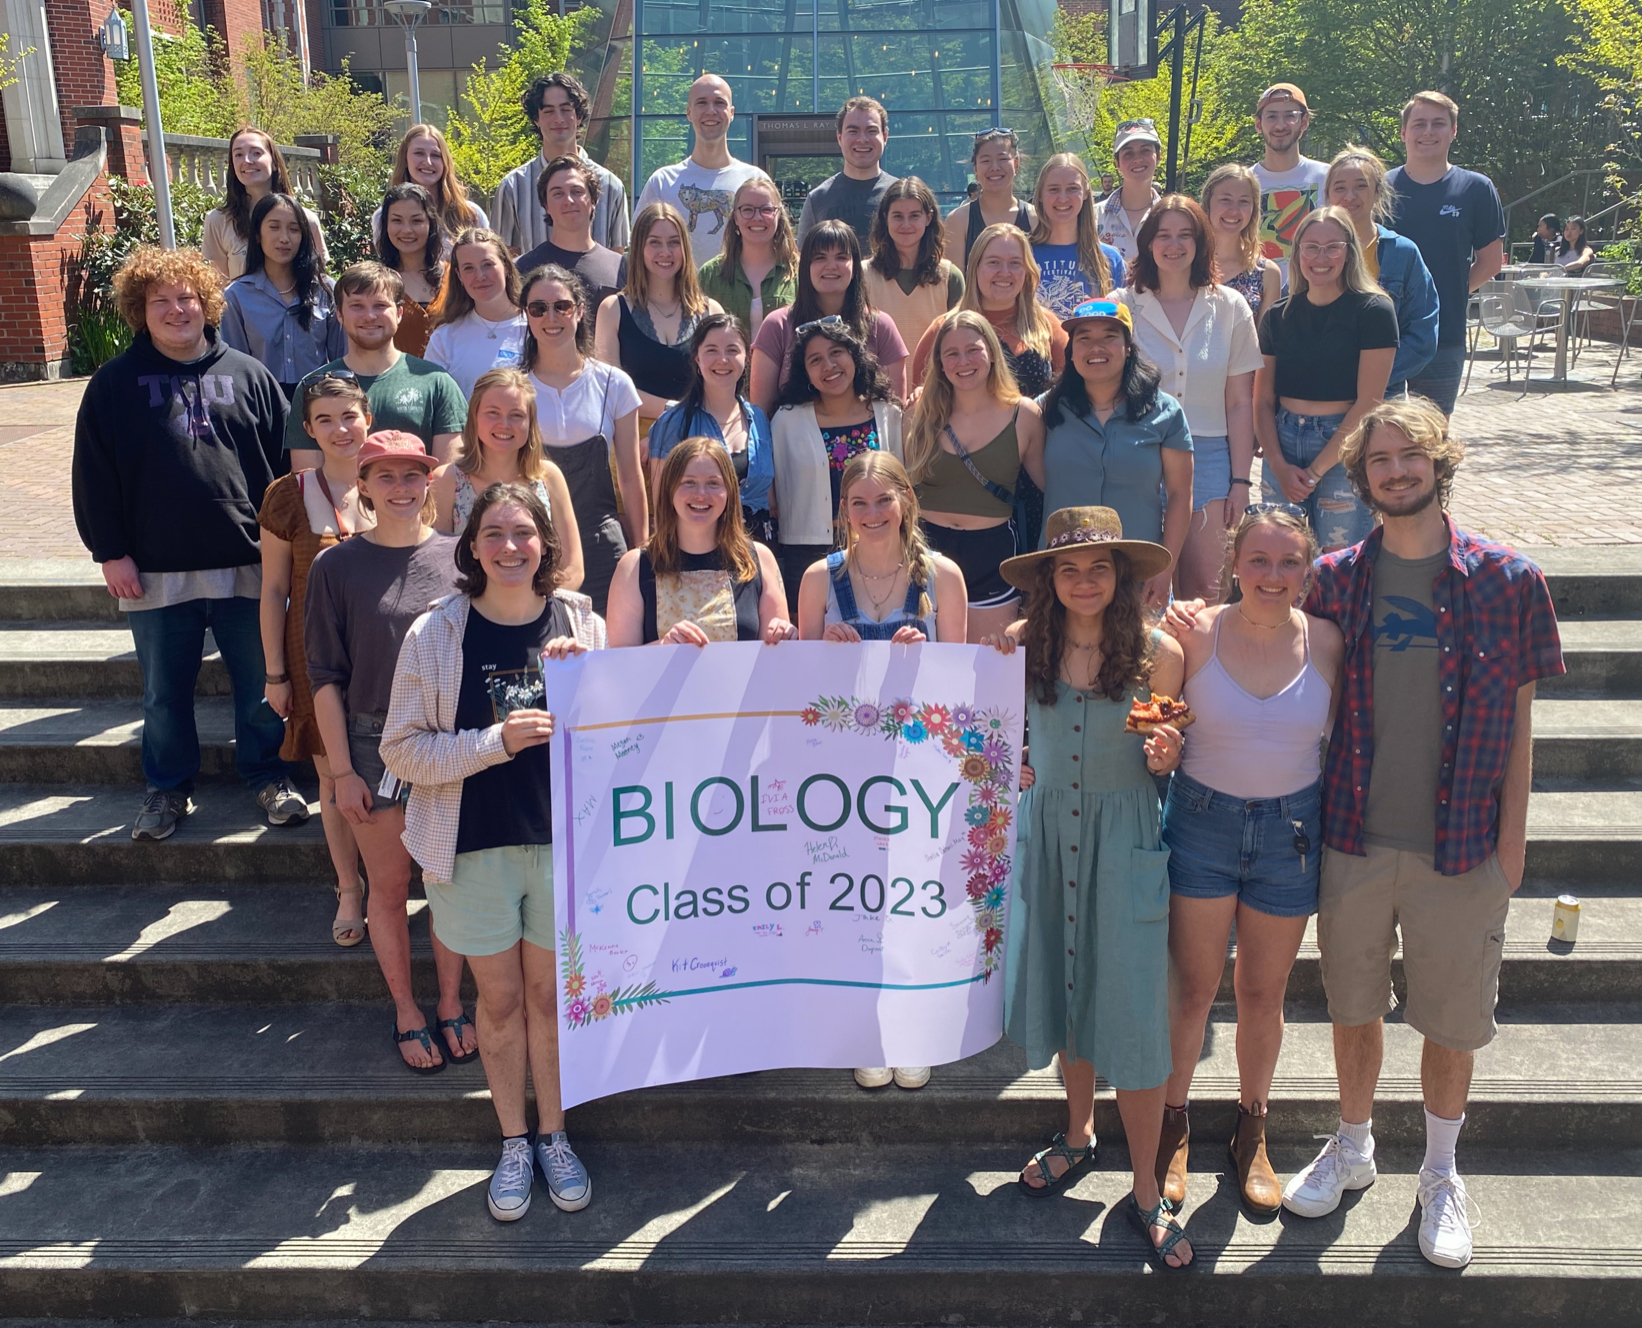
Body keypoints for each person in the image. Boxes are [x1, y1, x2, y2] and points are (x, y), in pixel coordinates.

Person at [1170, 397, 1564, 1269]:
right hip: (1349, 834)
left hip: (1461, 842)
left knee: (1452, 1022)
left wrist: (1514, 845)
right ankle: (1354, 1144)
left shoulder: (1510, 582)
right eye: (1379, 460)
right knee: (1355, 1009)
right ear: (1363, 475)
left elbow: (1524, 729)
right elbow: (1260, 614)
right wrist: (1193, 619)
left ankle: (1439, 1172)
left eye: (1408, 456)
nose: (1394, 471)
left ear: (1439, 460)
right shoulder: (1337, 578)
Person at [382, 481, 607, 1221]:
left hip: (561, 846)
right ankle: (513, 1140)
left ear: (545, 543)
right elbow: (402, 752)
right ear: (470, 547)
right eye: (495, 534)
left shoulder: (583, 622)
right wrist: (491, 744)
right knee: (501, 1001)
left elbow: (622, 733)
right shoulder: (435, 633)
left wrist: (596, 682)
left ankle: (555, 1134)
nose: (511, 548)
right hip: (472, 847)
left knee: (548, 997)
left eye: (524, 534)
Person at [985, 504, 1191, 1271]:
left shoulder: (1160, 655)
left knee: (1134, 1016)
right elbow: (992, 734)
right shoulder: (1017, 646)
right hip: (1048, 839)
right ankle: (1078, 1135)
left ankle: (1145, 1189)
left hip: (1124, 838)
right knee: (1068, 995)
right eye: (1067, 568)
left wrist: (1166, 757)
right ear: (1047, 579)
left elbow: (1157, 754)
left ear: (1122, 575)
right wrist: (1013, 764)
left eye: (1098, 567)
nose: (1083, 581)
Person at [72, 244, 307, 842]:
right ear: (139, 311)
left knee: (261, 685)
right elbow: (92, 474)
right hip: (154, 569)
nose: (177, 310)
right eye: (161, 302)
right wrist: (110, 551)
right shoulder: (114, 385)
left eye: (187, 298)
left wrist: (291, 549)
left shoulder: (249, 376)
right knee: (163, 695)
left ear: (207, 305)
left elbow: (285, 472)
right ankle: (168, 789)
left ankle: (268, 776)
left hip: (247, 565)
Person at [1153, 505, 1342, 1217]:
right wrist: (1161, 750)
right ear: (1233, 562)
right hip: (1200, 825)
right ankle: (1175, 1122)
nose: (1272, 575)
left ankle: (1251, 1130)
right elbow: (1157, 727)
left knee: (1264, 992)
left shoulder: (1328, 641)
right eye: (1258, 560)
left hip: (1291, 833)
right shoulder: (1192, 635)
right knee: (1194, 989)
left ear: (1308, 567)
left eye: (1288, 562)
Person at [305, 431, 474, 1074]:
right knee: (392, 883)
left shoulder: (462, 559)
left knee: (447, 883)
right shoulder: (336, 567)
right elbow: (324, 677)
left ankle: (453, 1000)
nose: (401, 487)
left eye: (413, 474)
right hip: (374, 743)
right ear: (366, 485)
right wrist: (343, 770)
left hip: (452, 738)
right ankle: (406, 1007)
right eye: (387, 476)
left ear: (430, 481)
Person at [258, 374, 376, 947]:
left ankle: (392, 877)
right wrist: (274, 672)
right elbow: (273, 589)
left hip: (386, 661)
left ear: (367, 419)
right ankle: (349, 888)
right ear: (308, 429)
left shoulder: (396, 484)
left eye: (348, 416)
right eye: (324, 420)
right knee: (333, 780)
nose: (339, 429)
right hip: (313, 662)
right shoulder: (287, 494)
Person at [1117, 196, 1263, 603]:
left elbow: (1238, 402)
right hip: (1140, 456)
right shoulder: (1122, 305)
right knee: (1144, 593)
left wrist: (1240, 482)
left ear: (1201, 243)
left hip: (1211, 458)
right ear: (1147, 243)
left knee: (1205, 591)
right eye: (1163, 235)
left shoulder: (1231, 308)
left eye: (1185, 235)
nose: (1174, 245)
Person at [1255, 206, 1397, 551]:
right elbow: (1261, 399)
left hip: (1344, 442)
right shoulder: (1277, 316)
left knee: (1341, 559)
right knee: (1280, 554)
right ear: (1298, 252)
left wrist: (1317, 470)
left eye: (1332, 246)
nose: (1321, 257)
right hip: (1283, 441)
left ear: (1349, 251)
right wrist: (1278, 464)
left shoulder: (1374, 311)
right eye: (1311, 247)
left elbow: (1369, 403)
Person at [1036, 300, 1190, 609]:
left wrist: (1165, 571)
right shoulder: (1043, 410)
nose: (1097, 347)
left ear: (1129, 346)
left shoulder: (1165, 412)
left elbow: (1179, 495)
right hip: (1065, 576)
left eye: (1109, 336)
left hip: (1140, 576)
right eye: (1084, 338)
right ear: (1071, 350)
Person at [903, 311, 1046, 641]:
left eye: (973, 350)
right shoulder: (918, 413)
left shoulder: (1023, 415)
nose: (962, 361)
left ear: (993, 353)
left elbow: (1047, 490)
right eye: (951, 353)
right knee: (921, 669)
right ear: (939, 362)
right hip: (925, 553)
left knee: (989, 664)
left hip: (992, 555)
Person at [522, 265, 646, 614]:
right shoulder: (513, 389)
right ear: (526, 316)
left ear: (579, 310)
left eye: (561, 306)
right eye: (538, 308)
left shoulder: (613, 383)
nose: (551, 317)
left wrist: (641, 550)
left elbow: (630, 477)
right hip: (532, 550)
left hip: (603, 548)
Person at [607, 435, 792, 646]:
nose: (701, 494)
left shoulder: (759, 559)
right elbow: (619, 664)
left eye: (713, 483)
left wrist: (784, 636)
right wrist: (662, 648)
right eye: (689, 483)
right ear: (669, 490)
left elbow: (777, 654)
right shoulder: (633, 567)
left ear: (729, 492)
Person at [770, 319, 904, 609]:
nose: (829, 365)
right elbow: (775, 492)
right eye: (815, 360)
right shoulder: (786, 421)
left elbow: (903, 485)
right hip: (807, 554)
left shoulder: (888, 415)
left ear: (854, 355)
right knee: (810, 647)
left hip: (880, 546)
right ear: (805, 372)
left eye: (836, 353)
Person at [1387, 91, 1506, 415]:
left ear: (1453, 131)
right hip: (1382, 336)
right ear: (1404, 132)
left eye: (1438, 124)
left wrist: (1442, 296)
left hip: (1445, 335)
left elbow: (1491, 262)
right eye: (1419, 124)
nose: (1428, 132)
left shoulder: (1476, 189)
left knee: (1433, 442)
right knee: (1374, 437)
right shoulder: (1380, 189)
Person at [284, 263, 467, 470]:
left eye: (380, 305)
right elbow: (306, 480)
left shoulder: (436, 382)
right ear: (340, 315)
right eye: (357, 306)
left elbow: (448, 479)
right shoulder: (313, 387)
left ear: (399, 313)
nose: (369, 316)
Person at [431, 367, 585, 594]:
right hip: (468, 613)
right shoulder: (445, 480)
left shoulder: (549, 477)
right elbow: (437, 566)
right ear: (474, 417)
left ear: (530, 422)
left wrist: (534, 607)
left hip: (539, 611)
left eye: (516, 415)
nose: (504, 424)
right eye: (493, 413)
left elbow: (572, 568)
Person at [796, 450, 966, 646]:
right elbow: (809, 672)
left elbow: (954, 671)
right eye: (859, 503)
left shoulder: (944, 576)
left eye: (884, 500)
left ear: (907, 499)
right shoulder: (818, 579)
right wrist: (824, 651)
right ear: (845, 509)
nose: (872, 513)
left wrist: (923, 658)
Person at [750, 219, 908, 413]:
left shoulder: (881, 326)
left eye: (841, 257)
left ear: (855, 265)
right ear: (805, 266)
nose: (831, 266)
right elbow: (760, 416)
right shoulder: (777, 326)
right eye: (820, 257)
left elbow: (896, 413)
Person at [594, 202, 725, 436]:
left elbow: (723, 385)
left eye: (674, 242)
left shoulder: (711, 311)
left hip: (698, 441)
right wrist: (672, 410)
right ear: (639, 249)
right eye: (654, 242)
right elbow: (609, 390)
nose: (665, 252)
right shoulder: (613, 309)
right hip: (634, 444)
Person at [647, 313, 776, 544]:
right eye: (712, 350)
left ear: (747, 357)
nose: (722, 360)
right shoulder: (672, 424)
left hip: (760, 548)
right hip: (698, 548)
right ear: (697, 358)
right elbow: (662, 506)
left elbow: (771, 498)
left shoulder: (760, 420)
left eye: (732, 350)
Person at [1325, 146, 1440, 397]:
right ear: (1328, 195)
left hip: (1385, 397)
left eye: (1361, 186)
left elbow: (1423, 336)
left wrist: (1368, 376)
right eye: (1340, 187)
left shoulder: (1403, 253)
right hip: (1322, 397)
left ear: (1378, 191)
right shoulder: (1312, 251)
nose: (1350, 196)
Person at [221, 192, 345, 409]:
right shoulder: (237, 296)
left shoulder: (325, 290)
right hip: (261, 406)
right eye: (274, 227)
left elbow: (341, 359)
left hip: (318, 405)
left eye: (294, 229)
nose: (284, 238)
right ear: (258, 234)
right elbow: (235, 369)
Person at [913, 224, 1067, 399]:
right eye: (994, 262)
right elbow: (922, 401)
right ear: (975, 267)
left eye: (1015, 263)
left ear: (1026, 270)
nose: (1004, 272)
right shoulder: (944, 329)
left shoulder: (1047, 325)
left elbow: (1071, 390)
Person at [634, 74, 766, 267]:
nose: (711, 111)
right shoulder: (662, 183)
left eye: (719, 103)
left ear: (731, 112)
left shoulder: (755, 181)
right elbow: (639, 249)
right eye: (702, 103)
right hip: (678, 297)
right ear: (689, 112)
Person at [494, 72, 630, 256]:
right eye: (548, 111)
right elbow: (506, 262)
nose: (558, 118)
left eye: (566, 109)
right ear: (536, 119)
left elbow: (617, 263)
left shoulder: (611, 186)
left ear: (579, 116)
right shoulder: (513, 187)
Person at [517, 157, 628, 340]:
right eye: (558, 194)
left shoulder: (622, 268)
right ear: (545, 204)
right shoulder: (522, 269)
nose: (568, 200)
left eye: (577, 191)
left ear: (594, 200)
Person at [202, 127, 329, 281]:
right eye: (238, 154)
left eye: (256, 153)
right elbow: (219, 287)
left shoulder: (306, 219)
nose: (247, 161)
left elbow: (318, 282)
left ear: (274, 162)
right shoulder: (218, 221)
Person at [863, 177, 964, 356]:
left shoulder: (950, 278)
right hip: (878, 383)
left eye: (914, 216)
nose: (906, 224)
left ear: (928, 218)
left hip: (933, 384)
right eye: (898, 216)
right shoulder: (863, 275)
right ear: (885, 218)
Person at [425, 229, 529, 398]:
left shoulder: (537, 328)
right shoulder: (444, 338)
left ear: (507, 266)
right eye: (469, 268)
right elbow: (434, 405)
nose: (480, 276)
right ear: (459, 275)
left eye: (487, 265)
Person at [697, 174, 799, 341]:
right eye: (747, 210)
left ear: (779, 215)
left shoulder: (800, 272)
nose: (757, 217)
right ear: (735, 217)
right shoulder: (710, 275)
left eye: (766, 210)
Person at [368, 124, 489, 255]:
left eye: (436, 155)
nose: (428, 162)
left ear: (445, 162)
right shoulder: (383, 217)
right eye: (419, 153)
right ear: (405, 159)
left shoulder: (471, 214)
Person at [1029, 153, 1124, 318]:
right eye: (1054, 189)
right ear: (1041, 195)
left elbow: (1122, 326)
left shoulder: (1110, 259)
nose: (1063, 198)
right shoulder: (1022, 254)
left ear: (1086, 193)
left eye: (1072, 189)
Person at [1249, 83, 1328, 281]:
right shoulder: (1243, 183)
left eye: (1290, 116)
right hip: (1258, 299)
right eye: (1272, 116)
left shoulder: (1328, 177)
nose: (1281, 125)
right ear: (1258, 124)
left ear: (1304, 122)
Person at [796, 96, 899, 246]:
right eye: (853, 131)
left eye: (871, 131)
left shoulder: (901, 196)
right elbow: (804, 261)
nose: (862, 139)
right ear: (839, 138)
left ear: (885, 137)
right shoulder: (818, 199)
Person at [943, 127, 1037, 272]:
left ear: (1016, 163)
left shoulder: (1035, 218)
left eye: (1002, 159)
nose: (994, 167)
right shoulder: (958, 221)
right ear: (975, 168)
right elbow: (955, 288)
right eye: (986, 160)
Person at [1200, 163, 1280, 321]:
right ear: (1208, 203)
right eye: (1225, 200)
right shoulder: (1187, 262)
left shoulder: (1267, 273)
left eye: (1243, 201)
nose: (1234, 210)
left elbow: (1263, 342)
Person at [375, 182, 445, 356]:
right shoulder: (375, 282)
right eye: (397, 220)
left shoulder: (456, 276)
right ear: (386, 225)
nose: (406, 230)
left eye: (416, 221)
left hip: (453, 381)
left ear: (431, 223)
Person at [1097, 119, 1163, 267]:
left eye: (1145, 150)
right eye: (1128, 153)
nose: (1137, 159)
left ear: (1159, 156)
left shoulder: (1170, 216)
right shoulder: (1093, 217)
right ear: (1117, 163)